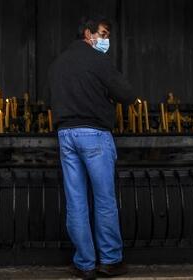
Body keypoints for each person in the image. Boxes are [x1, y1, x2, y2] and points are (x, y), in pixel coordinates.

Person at [48, 16, 136, 279]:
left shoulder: (57, 64)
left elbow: (47, 99)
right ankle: (109, 260)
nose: (106, 40)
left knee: (76, 202)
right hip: (95, 135)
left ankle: (84, 264)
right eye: (103, 33)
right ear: (88, 33)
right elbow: (128, 96)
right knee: (104, 200)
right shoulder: (98, 61)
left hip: (65, 135)